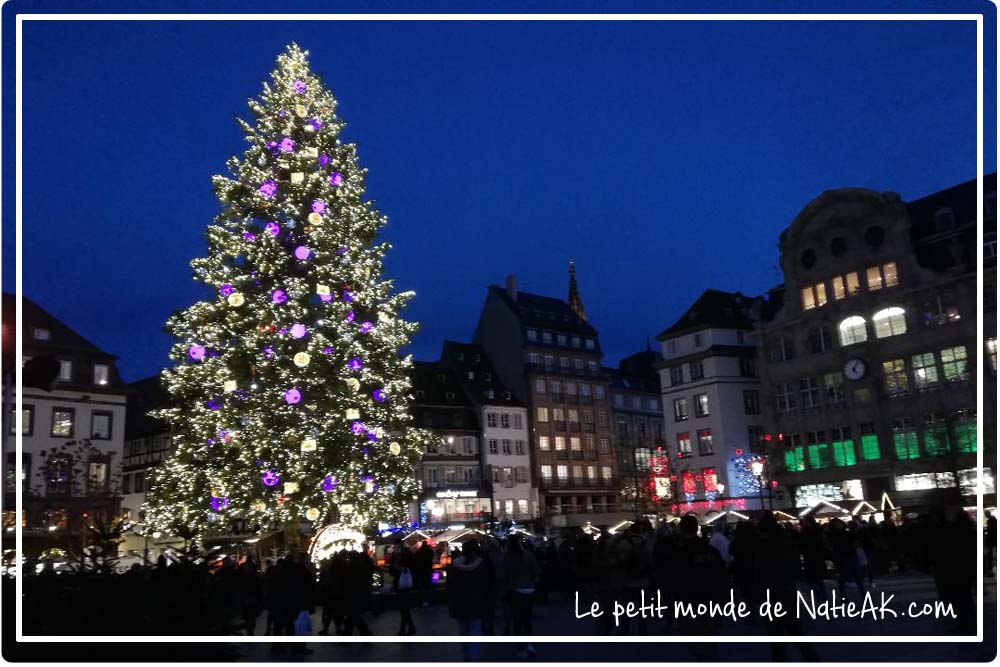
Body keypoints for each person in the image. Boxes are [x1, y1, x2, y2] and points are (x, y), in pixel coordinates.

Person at [754, 512, 818, 661]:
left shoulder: (762, 547)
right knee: (797, 633)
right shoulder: (787, 541)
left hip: (770, 596)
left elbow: (759, 573)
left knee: (776, 640)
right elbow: (795, 567)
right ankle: (812, 659)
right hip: (787, 591)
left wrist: (758, 597)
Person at [668, 514, 728, 660]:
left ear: (682, 529)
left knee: (695, 646)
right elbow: (722, 576)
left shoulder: (680, 552)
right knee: (709, 643)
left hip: (691, 603)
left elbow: (676, 580)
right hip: (712, 602)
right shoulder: (711, 551)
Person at [447, 540, 492, 661]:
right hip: (476, 602)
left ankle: (466, 655)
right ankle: (473, 657)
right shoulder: (481, 565)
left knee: (462, 629)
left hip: (459, 602)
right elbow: (486, 585)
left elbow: (450, 586)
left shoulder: (455, 565)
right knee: (475, 630)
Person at [502, 534, 540, 657]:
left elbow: (502, 575)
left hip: (514, 590)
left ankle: (520, 647)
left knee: (517, 621)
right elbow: (536, 571)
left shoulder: (506, 557)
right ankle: (530, 645)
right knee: (527, 619)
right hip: (528, 589)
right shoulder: (527, 555)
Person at [388, 539, 417, 635]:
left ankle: (403, 630)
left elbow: (412, 566)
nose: (397, 548)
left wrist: (402, 568)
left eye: (398, 546)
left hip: (404, 583)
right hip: (399, 583)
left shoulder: (406, 554)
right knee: (403, 607)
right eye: (396, 546)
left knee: (403, 607)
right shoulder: (395, 555)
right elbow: (391, 570)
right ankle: (409, 628)